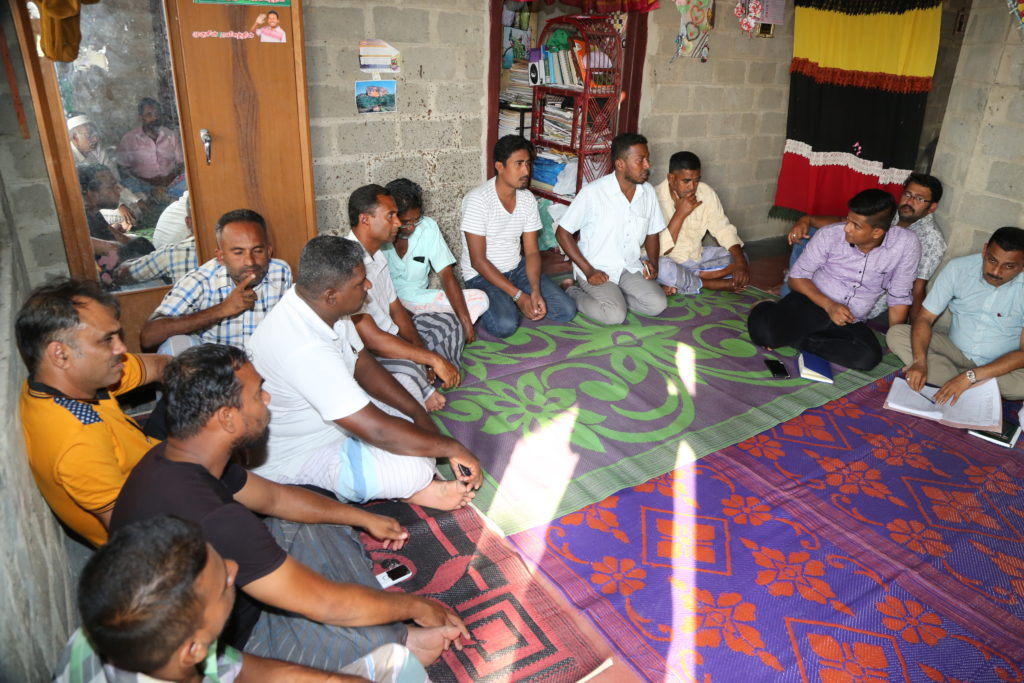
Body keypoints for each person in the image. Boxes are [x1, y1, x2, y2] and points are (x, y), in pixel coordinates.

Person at [111, 344, 470, 671]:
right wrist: (418, 607)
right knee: (362, 636)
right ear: (227, 417)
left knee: (316, 507)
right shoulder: (216, 518)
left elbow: (275, 498)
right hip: (230, 651)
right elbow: (327, 604)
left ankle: (377, 626)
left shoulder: (175, 457)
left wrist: (363, 518)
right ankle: (392, 638)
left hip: (232, 596)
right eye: (257, 394)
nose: (267, 399)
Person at [248, 236, 482, 511]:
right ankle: (412, 489)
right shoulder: (304, 348)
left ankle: (403, 471)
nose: (368, 286)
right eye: (360, 283)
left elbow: (363, 364)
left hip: (337, 419)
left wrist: (418, 416)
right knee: (415, 468)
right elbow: (378, 430)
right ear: (331, 296)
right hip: (303, 451)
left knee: (407, 394)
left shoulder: (321, 307)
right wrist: (452, 447)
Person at [55, 515, 427, 682]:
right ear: (192, 649)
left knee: (394, 661)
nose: (234, 568)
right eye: (224, 583)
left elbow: (239, 669)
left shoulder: (106, 636)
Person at [15, 278, 167, 546]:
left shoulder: (66, 380)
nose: (121, 348)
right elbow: (137, 537)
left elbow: (161, 366)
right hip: (158, 512)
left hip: (147, 459)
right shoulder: (78, 442)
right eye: (107, 339)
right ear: (60, 354)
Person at [747, 189, 920, 371]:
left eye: (856, 225)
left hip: (850, 318)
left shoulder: (906, 244)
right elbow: (796, 278)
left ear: (877, 232)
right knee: (766, 336)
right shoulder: (830, 235)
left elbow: (899, 296)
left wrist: (895, 337)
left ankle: (799, 339)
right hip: (813, 302)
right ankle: (765, 307)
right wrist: (830, 306)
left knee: (867, 358)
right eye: (848, 220)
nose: (847, 228)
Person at [346, 185, 463, 412]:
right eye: (390, 216)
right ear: (365, 219)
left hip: (392, 336)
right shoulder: (348, 263)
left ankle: (424, 374)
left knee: (448, 323)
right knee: (406, 372)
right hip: (368, 351)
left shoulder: (378, 254)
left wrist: (420, 351)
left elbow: (397, 310)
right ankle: (421, 381)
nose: (398, 223)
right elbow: (372, 341)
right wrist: (431, 359)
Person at [887, 227, 1024, 403]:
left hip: (1002, 365)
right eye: (992, 260)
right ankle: (972, 387)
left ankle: (956, 380)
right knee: (897, 334)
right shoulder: (958, 268)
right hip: (956, 351)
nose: (996, 271)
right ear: (984, 250)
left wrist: (970, 376)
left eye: (1009, 266)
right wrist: (919, 362)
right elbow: (925, 318)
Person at [784, 173, 946, 321]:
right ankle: (791, 288)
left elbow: (916, 288)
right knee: (807, 234)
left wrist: (912, 329)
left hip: (874, 304)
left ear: (932, 207)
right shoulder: (892, 212)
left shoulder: (930, 239)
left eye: (919, 198)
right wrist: (807, 220)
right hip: (830, 291)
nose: (909, 202)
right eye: (908, 194)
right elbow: (845, 223)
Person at [460, 134, 576, 338]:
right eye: (519, 164)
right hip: (481, 276)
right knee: (505, 325)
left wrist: (535, 290)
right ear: (499, 166)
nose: (526, 171)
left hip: (516, 268)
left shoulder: (527, 199)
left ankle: (509, 297)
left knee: (565, 310)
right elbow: (478, 261)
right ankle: (483, 299)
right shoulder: (478, 200)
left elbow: (531, 252)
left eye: (528, 164)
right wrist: (519, 296)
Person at [140, 209, 291, 355]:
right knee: (175, 344)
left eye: (257, 251)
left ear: (269, 251)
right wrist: (222, 309)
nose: (250, 261)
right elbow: (149, 336)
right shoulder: (200, 281)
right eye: (238, 252)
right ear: (221, 257)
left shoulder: (281, 272)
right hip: (217, 367)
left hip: (267, 364)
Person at [556, 133, 668, 325]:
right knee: (613, 316)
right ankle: (570, 290)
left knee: (657, 304)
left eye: (647, 159)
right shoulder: (593, 193)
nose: (647, 165)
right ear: (620, 164)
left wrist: (654, 265)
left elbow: (652, 233)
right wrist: (589, 271)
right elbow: (562, 233)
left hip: (628, 266)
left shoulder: (647, 192)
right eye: (640, 160)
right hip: (596, 268)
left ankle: (616, 298)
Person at [383, 178, 489, 344]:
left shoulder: (428, 227)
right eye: (405, 222)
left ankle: (427, 325)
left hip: (419, 301)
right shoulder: (380, 234)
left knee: (480, 299)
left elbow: (447, 275)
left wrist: (465, 321)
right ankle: (431, 326)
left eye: (416, 220)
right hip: (387, 305)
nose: (411, 227)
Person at [655, 151, 750, 295]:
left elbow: (722, 228)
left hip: (697, 258)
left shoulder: (705, 192)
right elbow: (659, 249)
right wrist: (680, 214)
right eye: (686, 181)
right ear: (671, 178)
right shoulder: (654, 198)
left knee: (740, 257)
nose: (692, 187)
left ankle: (687, 279)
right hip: (668, 260)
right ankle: (710, 283)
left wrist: (740, 263)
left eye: (696, 180)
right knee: (657, 267)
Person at [116, 98, 185, 200]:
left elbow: (181, 163)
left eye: (157, 113)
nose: (155, 117)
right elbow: (122, 170)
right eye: (149, 114)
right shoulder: (129, 139)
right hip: (144, 188)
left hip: (172, 183)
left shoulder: (170, 135)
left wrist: (172, 179)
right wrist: (148, 187)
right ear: (141, 117)